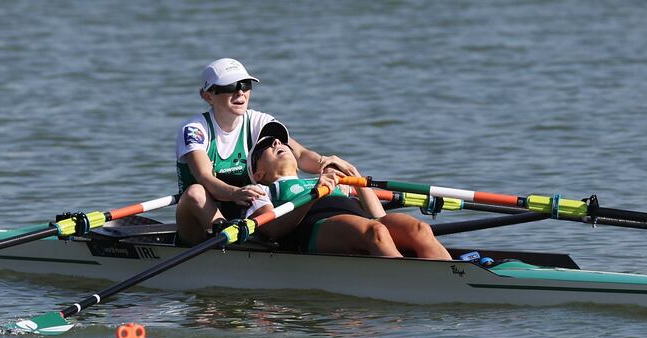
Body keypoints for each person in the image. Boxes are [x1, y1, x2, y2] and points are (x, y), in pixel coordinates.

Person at [175, 58, 358, 245]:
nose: (240, 92)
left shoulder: (258, 121)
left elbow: (301, 156)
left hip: (247, 216)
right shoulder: (195, 129)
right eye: (229, 86)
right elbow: (205, 177)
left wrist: (326, 163)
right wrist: (234, 193)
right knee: (195, 192)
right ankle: (227, 239)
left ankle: (250, 241)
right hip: (199, 220)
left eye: (245, 85)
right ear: (208, 96)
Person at [246, 122, 452, 260]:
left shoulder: (328, 179)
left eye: (281, 142)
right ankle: (413, 282)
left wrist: (352, 172)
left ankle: (454, 276)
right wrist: (316, 193)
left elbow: (378, 215)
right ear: (258, 173)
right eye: (265, 145)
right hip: (314, 230)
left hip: (361, 223)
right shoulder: (260, 189)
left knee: (419, 229)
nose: (276, 142)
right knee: (376, 231)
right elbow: (273, 231)